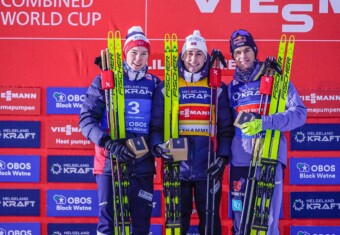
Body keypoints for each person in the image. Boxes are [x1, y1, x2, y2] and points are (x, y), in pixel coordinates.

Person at [150, 30, 234, 235]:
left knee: (210, 221)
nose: (193, 59)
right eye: (189, 53)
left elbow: (225, 128)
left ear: (205, 58)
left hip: (208, 167)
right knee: (177, 221)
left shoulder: (217, 88)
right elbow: (156, 126)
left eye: (198, 54)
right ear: (182, 56)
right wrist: (158, 147)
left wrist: (222, 158)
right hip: (177, 168)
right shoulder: (167, 87)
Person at [79, 26, 160, 235]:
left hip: (141, 164)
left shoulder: (155, 84)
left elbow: (157, 125)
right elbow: (86, 120)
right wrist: (107, 143)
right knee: (108, 224)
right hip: (109, 163)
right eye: (134, 52)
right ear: (125, 53)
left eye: (144, 54)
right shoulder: (105, 80)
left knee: (141, 225)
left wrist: (156, 146)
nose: (138, 59)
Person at [227, 29, 307, 234]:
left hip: (269, 157)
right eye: (237, 53)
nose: (243, 56)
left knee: (267, 220)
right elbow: (226, 126)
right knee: (240, 219)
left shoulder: (276, 80)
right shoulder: (231, 88)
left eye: (247, 50)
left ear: (254, 51)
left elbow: (299, 114)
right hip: (240, 161)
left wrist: (265, 122)